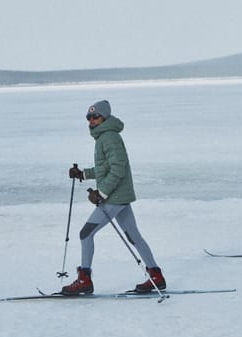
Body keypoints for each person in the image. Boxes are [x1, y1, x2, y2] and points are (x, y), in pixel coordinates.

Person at [63, 100, 166, 295]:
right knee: (134, 237)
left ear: (105, 117)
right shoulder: (105, 137)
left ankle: (84, 280)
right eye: (89, 118)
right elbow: (106, 169)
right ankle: (156, 276)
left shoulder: (108, 137)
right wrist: (83, 174)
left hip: (114, 198)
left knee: (86, 234)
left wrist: (101, 194)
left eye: (95, 117)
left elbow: (118, 170)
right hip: (120, 196)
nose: (91, 121)